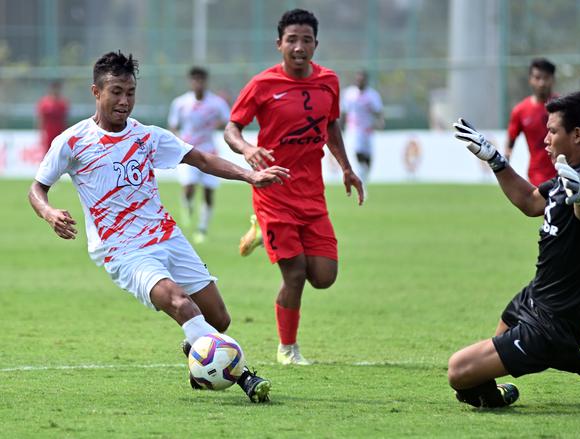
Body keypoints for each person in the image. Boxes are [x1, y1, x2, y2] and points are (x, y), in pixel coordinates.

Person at [28, 51, 290, 402]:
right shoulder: (72, 141)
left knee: (218, 319)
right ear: (96, 92)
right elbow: (36, 188)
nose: (124, 101)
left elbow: (201, 159)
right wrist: (48, 213)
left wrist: (249, 175)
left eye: (131, 92)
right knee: (182, 304)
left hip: (167, 237)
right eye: (116, 92)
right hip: (123, 250)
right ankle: (243, 376)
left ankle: (196, 350)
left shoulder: (147, 136)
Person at [448, 91, 580, 408]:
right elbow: (531, 201)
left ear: (577, 135)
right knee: (484, 364)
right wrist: (495, 160)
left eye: (552, 131)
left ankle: (496, 397)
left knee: (459, 373)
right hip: (535, 295)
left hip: (556, 321)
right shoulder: (566, 176)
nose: (545, 139)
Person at [224, 9, 364, 365]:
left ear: (315, 44)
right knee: (296, 272)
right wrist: (248, 149)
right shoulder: (262, 85)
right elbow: (232, 129)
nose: (299, 47)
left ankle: (259, 230)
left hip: (312, 194)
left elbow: (331, 127)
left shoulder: (329, 82)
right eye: (292, 40)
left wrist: (346, 168)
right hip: (273, 192)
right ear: (279, 44)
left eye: (306, 40)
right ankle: (288, 349)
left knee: (324, 277)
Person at [168, 66, 231, 244]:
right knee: (189, 187)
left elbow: (227, 122)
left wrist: (216, 123)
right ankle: (186, 205)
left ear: (206, 81)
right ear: (190, 81)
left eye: (201, 79)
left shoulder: (217, 103)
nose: (198, 83)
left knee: (209, 192)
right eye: (195, 79)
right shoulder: (181, 103)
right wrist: (178, 141)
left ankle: (202, 228)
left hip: (209, 151)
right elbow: (173, 125)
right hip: (188, 152)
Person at [505, 58, 558, 186]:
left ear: (553, 79)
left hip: (565, 174)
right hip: (537, 177)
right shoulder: (520, 111)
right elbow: (510, 143)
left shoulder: (564, 106)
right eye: (537, 77)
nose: (541, 83)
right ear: (530, 79)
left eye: (546, 77)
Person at [340, 70, 384, 186]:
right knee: (358, 151)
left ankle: (364, 175)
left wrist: (380, 122)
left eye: (362, 79)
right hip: (354, 129)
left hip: (368, 130)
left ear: (366, 81)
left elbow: (378, 112)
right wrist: (341, 126)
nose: (359, 81)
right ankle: (361, 176)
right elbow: (344, 112)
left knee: (368, 157)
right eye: (358, 79)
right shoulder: (350, 94)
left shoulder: (372, 95)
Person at [36, 79, 69, 157]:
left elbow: (65, 120)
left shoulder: (62, 103)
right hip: (48, 133)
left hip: (59, 133)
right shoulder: (44, 103)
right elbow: (41, 119)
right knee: (47, 155)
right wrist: (40, 132)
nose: (56, 90)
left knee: (59, 155)